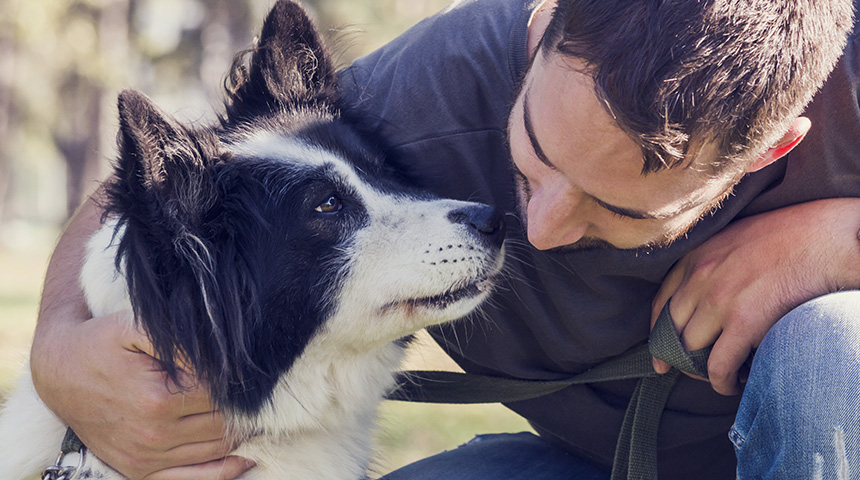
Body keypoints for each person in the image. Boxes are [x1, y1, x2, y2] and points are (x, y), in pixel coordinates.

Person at [29, 0, 860, 478]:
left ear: (773, 146)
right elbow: (182, 179)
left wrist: (835, 243)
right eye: (532, 166)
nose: (537, 231)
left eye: (619, 210)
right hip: (587, 467)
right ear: (541, 29)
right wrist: (59, 350)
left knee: (833, 349)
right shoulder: (436, 84)